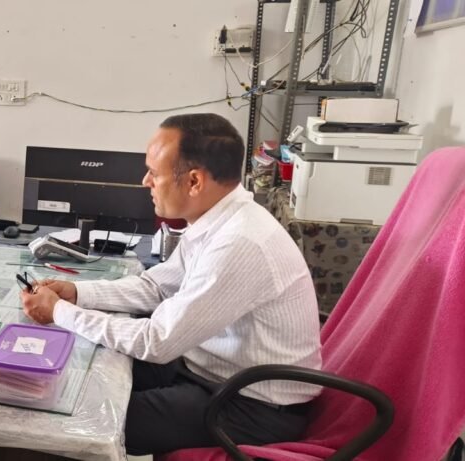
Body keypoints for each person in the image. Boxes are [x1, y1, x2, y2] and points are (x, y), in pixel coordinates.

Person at [20, 113, 323, 455]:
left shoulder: (240, 243)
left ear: (194, 181)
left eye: (155, 172)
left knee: (84, 417)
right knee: (79, 369)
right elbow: (156, 287)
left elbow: (157, 341)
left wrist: (59, 312)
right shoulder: (218, 220)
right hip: (206, 369)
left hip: (250, 405)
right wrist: (78, 293)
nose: (145, 181)